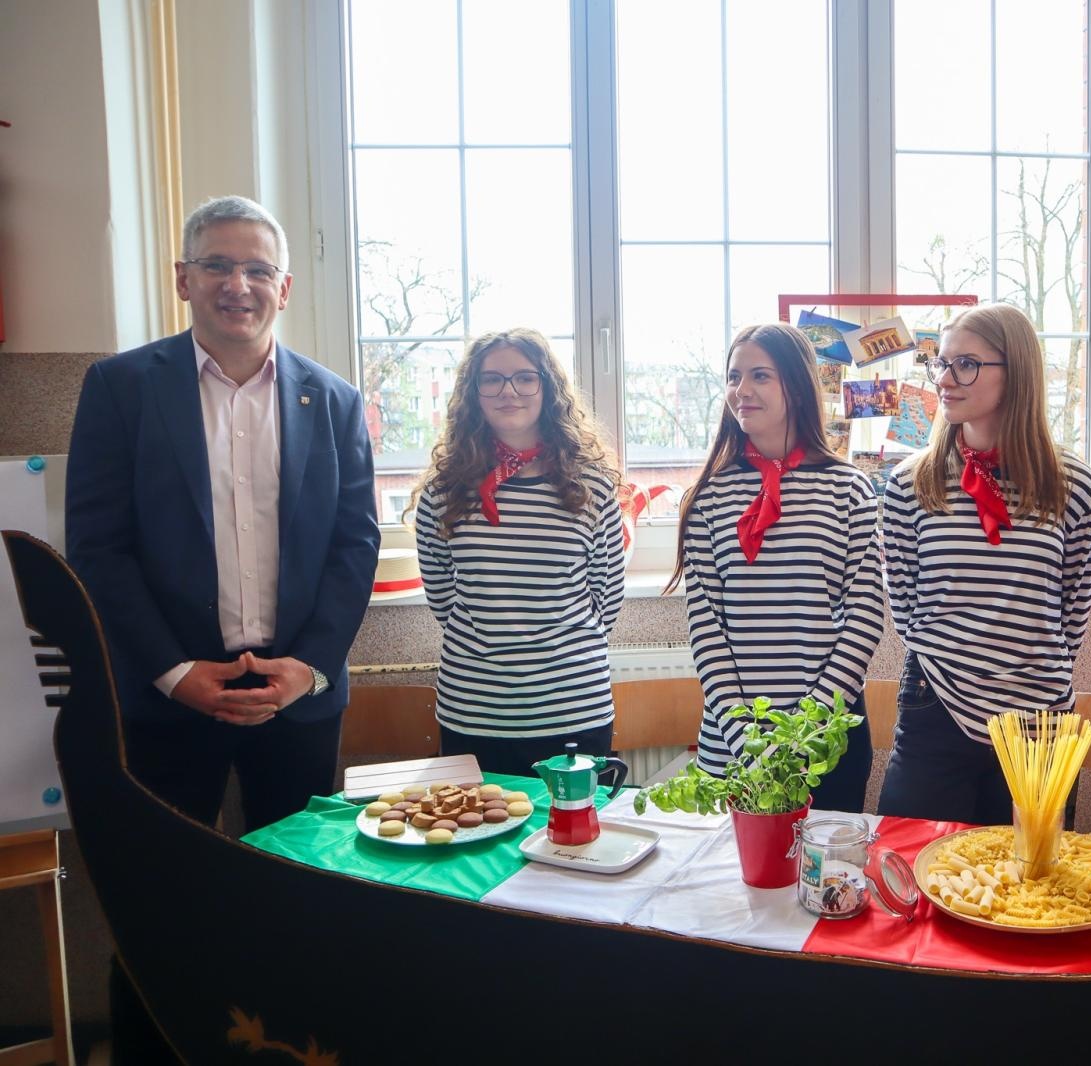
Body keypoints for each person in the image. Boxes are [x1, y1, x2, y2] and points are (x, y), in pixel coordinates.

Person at [65, 195, 379, 1064]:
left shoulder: (335, 400)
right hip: (167, 701)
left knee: (302, 904)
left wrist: (307, 667)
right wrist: (174, 671)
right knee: (159, 905)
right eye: (216, 265)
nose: (236, 285)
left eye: (255, 269)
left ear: (283, 286)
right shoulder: (120, 388)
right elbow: (96, 546)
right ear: (183, 280)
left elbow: (356, 546)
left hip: (298, 701)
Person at [877, 302, 1091, 825]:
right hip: (935, 704)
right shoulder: (911, 484)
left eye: (967, 364)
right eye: (942, 363)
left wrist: (1024, 677)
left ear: (1016, 372)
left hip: (1038, 720)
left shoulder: (1073, 485)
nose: (947, 379)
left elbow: (1073, 612)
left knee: (1029, 887)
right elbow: (906, 609)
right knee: (912, 866)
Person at [671, 322, 883, 812]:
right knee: (734, 883)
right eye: (733, 376)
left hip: (826, 742)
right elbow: (707, 628)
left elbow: (866, 616)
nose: (741, 390)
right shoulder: (707, 498)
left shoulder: (849, 489)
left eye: (760, 375)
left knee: (826, 882)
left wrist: (802, 732)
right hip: (733, 746)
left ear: (796, 384)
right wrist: (748, 737)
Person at [411, 328, 625, 774]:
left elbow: (606, 598)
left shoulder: (593, 486)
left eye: (525, 378)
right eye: (492, 380)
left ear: (547, 389)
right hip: (475, 710)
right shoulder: (443, 490)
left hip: (574, 709)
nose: (509, 391)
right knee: (475, 837)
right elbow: (443, 599)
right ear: (473, 393)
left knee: (572, 841)